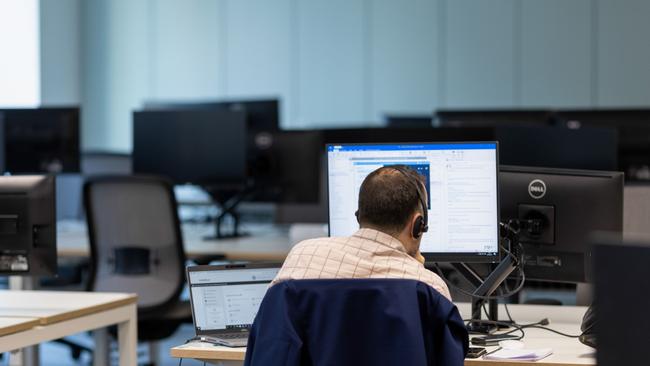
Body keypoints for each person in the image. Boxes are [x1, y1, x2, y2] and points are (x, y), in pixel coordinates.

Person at [272, 165, 451, 300]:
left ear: (359, 216)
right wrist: (416, 268)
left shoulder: (302, 256)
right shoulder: (428, 287)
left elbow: (269, 338)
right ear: (418, 225)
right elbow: (447, 350)